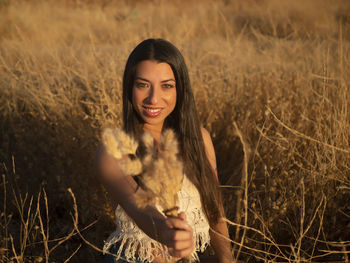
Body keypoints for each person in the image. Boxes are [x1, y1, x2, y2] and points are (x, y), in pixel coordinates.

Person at [96, 38, 233, 263]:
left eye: (166, 86)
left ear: (180, 89)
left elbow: (215, 210)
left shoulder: (200, 139)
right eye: (143, 85)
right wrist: (168, 232)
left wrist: (226, 260)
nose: (154, 98)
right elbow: (143, 210)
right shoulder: (113, 150)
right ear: (129, 87)